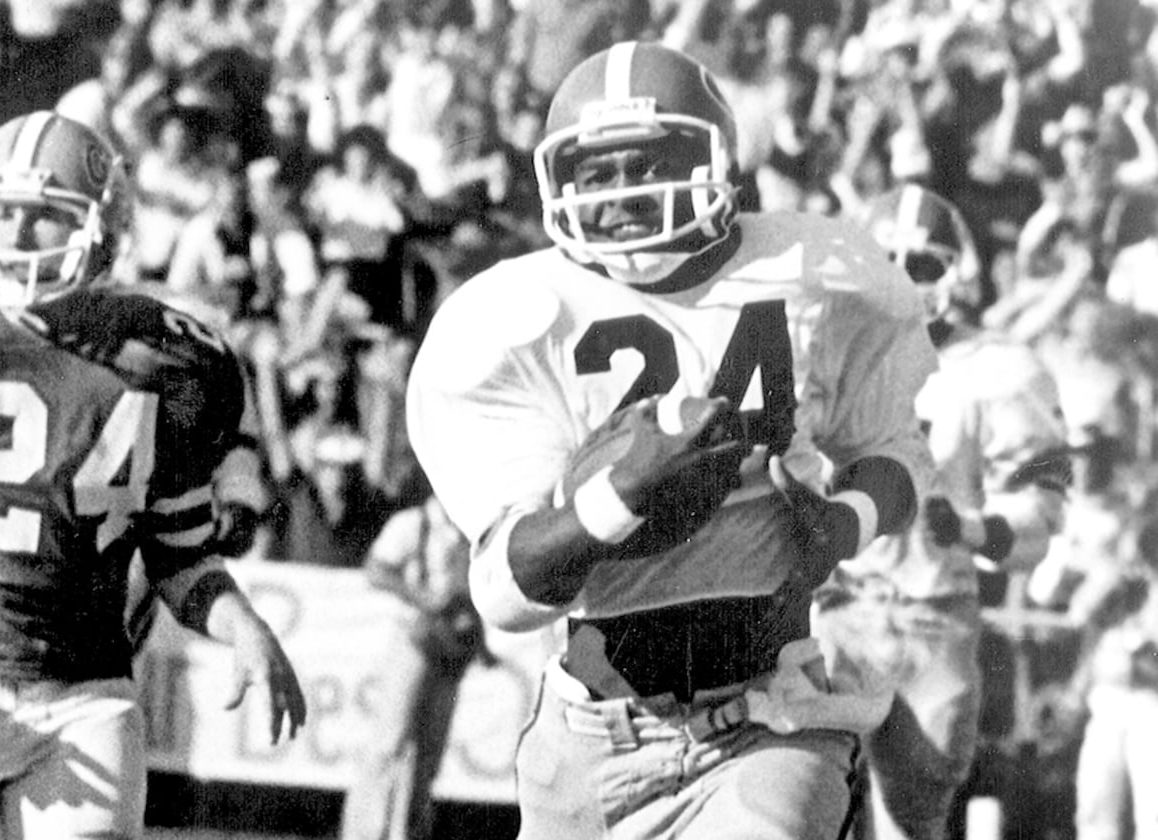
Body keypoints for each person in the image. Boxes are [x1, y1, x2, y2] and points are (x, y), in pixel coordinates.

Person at [406, 42, 938, 840]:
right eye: (596, 171)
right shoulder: (517, 317)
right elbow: (505, 594)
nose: (623, 193)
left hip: (773, 712)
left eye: (648, 161)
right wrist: (616, 502)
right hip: (594, 733)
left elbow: (897, 450)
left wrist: (846, 523)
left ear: (715, 160)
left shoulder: (814, 269)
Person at [0, 110, 307, 840]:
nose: (14, 237)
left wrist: (242, 623)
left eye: (42, 218)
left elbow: (179, 549)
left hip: (87, 693)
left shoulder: (169, 359)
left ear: (102, 231)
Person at [812, 184, 1070, 840]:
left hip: (934, 618)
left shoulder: (998, 367)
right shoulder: (820, 349)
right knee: (815, 811)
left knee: (912, 824)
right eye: (887, 256)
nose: (901, 276)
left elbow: (1043, 498)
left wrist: (974, 527)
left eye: (921, 263)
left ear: (959, 274)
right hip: (839, 614)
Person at [339, 493, 488, 840]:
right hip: (413, 639)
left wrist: (480, 644)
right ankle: (364, 833)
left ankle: (411, 831)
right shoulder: (412, 523)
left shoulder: (471, 527)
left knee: (431, 750)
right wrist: (421, 597)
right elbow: (375, 569)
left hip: (452, 646)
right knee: (389, 741)